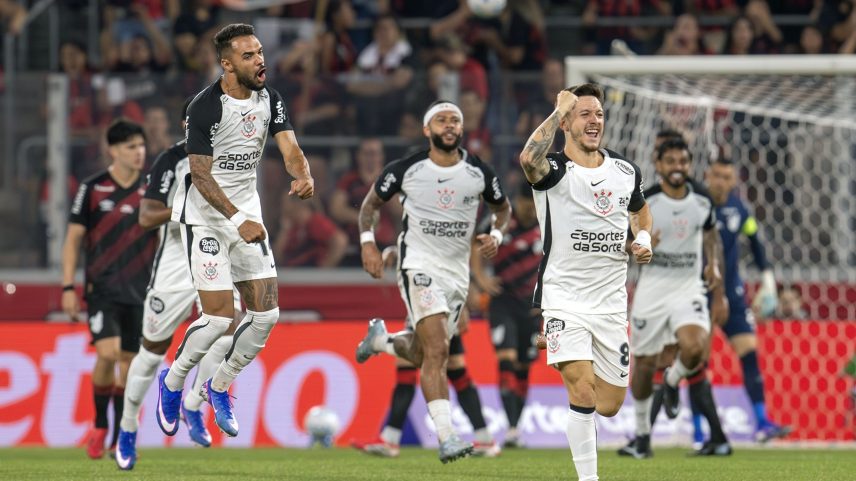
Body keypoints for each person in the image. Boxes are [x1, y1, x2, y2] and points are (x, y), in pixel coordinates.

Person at [155, 23, 314, 440]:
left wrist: (303, 174)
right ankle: (173, 381)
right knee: (217, 317)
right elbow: (201, 178)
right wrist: (236, 219)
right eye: (248, 56)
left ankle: (218, 385)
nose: (260, 61)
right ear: (226, 64)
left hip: (247, 215)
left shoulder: (270, 99)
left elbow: (290, 149)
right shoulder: (205, 107)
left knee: (267, 315)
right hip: (207, 217)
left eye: (260, 52)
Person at [354, 100, 512, 463]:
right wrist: (368, 245)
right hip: (417, 264)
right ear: (427, 130)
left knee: (426, 352)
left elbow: (502, 210)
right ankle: (447, 437)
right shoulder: (407, 168)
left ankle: (383, 342)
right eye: (441, 120)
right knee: (440, 350)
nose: (450, 125)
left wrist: (497, 236)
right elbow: (369, 206)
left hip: (456, 274)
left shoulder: (479, 173)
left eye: (455, 120)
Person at [519, 84, 653, 481]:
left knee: (609, 404)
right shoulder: (554, 170)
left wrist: (642, 239)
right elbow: (528, 158)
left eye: (598, 114)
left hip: (611, 305)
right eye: (584, 114)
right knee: (582, 391)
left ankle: (561, 346)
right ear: (566, 123)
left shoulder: (626, 172)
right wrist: (556, 108)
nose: (595, 121)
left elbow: (642, 215)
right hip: (563, 299)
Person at [115, 98, 242, 470]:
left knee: (229, 326)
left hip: (215, 253)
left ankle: (191, 405)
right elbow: (146, 215)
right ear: (187, 123)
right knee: (152, 350)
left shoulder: (233, 157)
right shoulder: (171, 161)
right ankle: (126, 429)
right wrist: (186, 209)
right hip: (175, 261)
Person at [618, 137, 731, 458]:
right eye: (671, 162)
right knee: (643, 365)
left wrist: (715, 274)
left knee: (695, 347)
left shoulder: (702, 200)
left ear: (688, 164)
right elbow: (624, 243)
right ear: (659, 165)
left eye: (683, 162)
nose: (678, 168)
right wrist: (639, 244)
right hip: (653, 289)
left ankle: (671, 381)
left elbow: (711, 236)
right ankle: (641, 437)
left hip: (688, 287)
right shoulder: (645, 200)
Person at [61, 118, 158, 459]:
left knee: (129, 365)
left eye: (141, 145)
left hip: (140, 291)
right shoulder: (92, 188)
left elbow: (163, 239)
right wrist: (67, 286)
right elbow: (73, 239)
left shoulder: (152, 189)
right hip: (101, 289)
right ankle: (100, 422)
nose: (139, 152)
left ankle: (119, 434)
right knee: (107, 354)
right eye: (131, 146)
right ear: (113, 150)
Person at [352, 248, 500, 458]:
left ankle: (381, 341)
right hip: (429, 296)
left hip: (437, 300)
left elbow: (454, 252)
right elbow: (417, 241)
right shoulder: (423, 226)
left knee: (446, 367)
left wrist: (463, 303)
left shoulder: (449, 225)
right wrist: (393, 252)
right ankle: (484, 438)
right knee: (448, 369)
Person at [705, 156, 792, 442]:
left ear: (734, 180)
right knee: (696, 361)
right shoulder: (696, 202)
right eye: (716, 175)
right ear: (708, 176)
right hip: (698, 292)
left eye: (726, 176)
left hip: (732, 294)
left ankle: (762, 422)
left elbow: (755, 241)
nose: (721, 181)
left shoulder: (740, 209)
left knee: (750, 355)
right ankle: (696, 429)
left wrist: (767, 276)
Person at [471, 181, 542, 448]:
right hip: (502, 302)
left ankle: (514, 428)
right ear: (517, 201)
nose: (530, 210)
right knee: (507, 360)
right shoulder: (501, 220)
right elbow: (475, 246)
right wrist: (480, 279)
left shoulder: (546, 222)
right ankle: (510, 426)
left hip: (533, 307)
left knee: (524, 365)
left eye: (534, 205)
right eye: (526, 204)